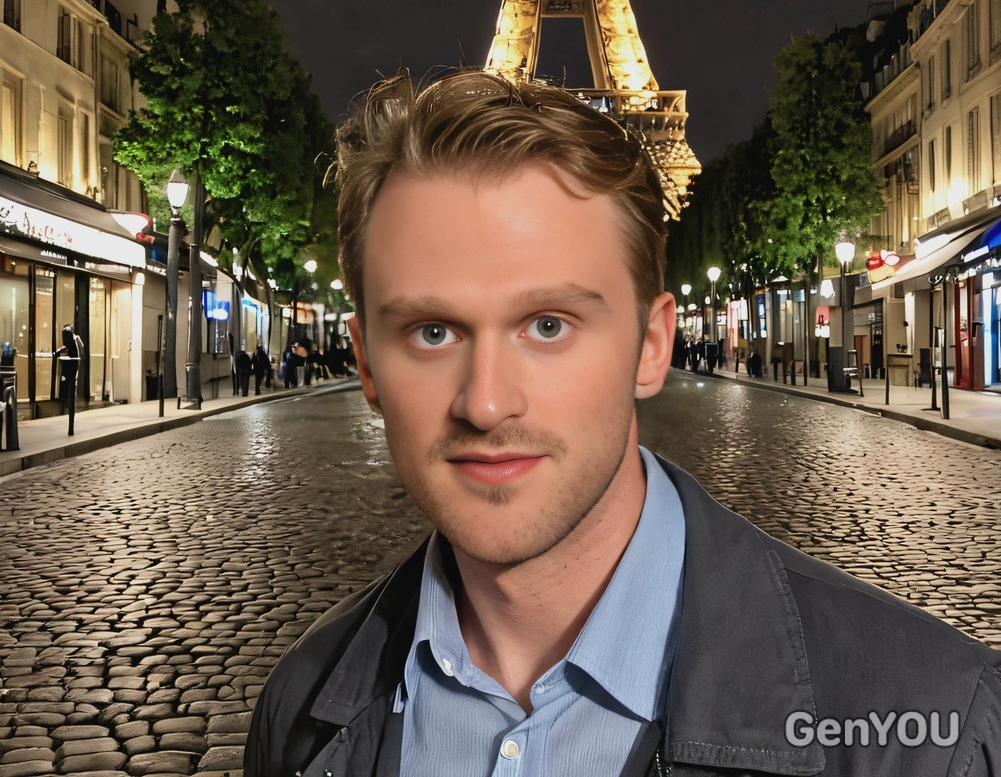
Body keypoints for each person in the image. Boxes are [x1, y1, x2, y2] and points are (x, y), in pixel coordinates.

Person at [246, 71, 1000, 777]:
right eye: (432, 332)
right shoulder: (295, 711)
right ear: (368, 365)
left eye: (547, 325)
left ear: (650, 346)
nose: (484, 402)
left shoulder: (941, 721)